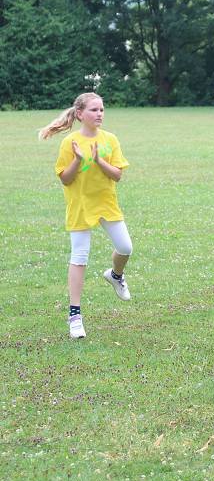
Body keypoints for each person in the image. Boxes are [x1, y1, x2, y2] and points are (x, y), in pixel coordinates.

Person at [39, 92, 133, 339]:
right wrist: (78, 160)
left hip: (106, 203)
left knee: (125, 247)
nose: (99, 114)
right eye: (93, 110)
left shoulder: (110, 139)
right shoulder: (69, 142)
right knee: (79, 257)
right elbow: (65, 179)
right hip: (80, 205)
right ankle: (75, 316)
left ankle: (116, 276)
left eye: (101, 109)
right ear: (80, 114)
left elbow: (117, 175)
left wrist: (99, 161)